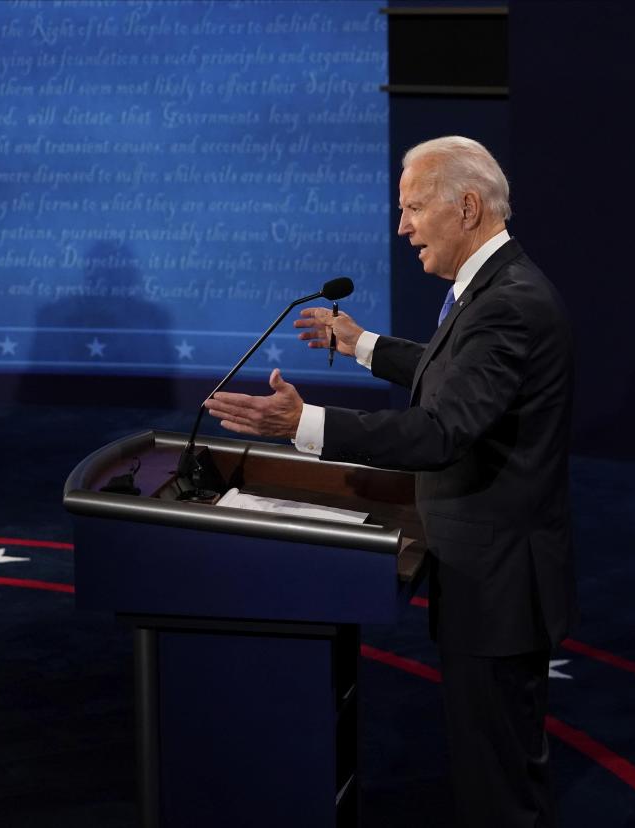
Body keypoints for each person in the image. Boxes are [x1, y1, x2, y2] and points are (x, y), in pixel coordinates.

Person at [204, 136, 576, 827]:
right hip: (489, 570)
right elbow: (457, 377)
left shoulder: (507, 305)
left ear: (466, 207)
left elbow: (442, 430)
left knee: (499, 785)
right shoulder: (500, 286)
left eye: (412, 209)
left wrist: (303, 424)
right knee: (494, 768)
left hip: (498, 582)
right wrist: (362, 344)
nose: (402, 228)